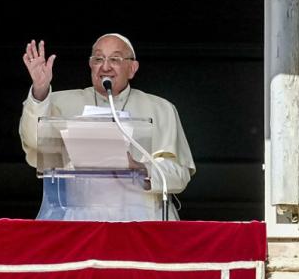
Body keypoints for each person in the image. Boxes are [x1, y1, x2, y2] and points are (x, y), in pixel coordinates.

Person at [19, 33, 195, 220]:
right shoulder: (59, 102)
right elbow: (35, 143)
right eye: (98, 59)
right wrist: (39, 90)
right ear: (90, 65)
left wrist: (141, 168)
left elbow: (179, 175)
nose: (105, 66)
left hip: (142, 218)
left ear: (132, 68)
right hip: (80, 217)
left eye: (115, 59)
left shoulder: (161, 109)